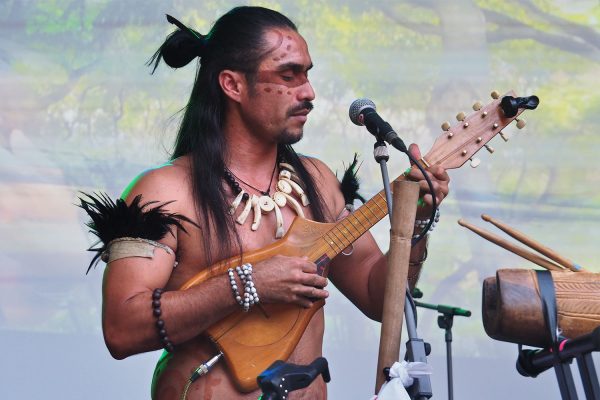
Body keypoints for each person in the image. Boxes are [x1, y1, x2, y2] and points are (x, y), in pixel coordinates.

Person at [86, 6, 449, 400]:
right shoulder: (167, 190)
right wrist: (247, 284)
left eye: (307, 74)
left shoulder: (320, 184)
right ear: (232, 85)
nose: (308, 91)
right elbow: (121, 330)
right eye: (288, 75)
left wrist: (416, 222)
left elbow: (378, 298)